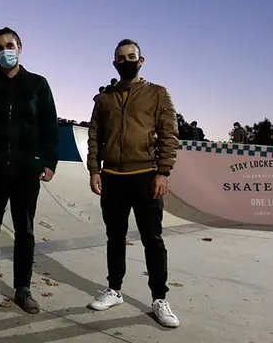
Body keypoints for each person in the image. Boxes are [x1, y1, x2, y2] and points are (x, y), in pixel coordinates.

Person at [0, 27, 59, 316]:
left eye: (10, 45)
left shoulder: (38, 85)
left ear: (19, 47)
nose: (5, 50)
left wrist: (48, 161)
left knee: (24, 232)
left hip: (26, 171)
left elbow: (49, 126)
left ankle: (23, 288)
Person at [86, 38, 181, 328]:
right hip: (112, 177)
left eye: (131, 56)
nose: (125, 61)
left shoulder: (157, 94)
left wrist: (163, 171)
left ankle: (159, 299)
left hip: (146, 177)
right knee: (115, 238)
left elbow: (169, 135)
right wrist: (94, 170)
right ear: (114, 63)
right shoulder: (104, 99)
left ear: (141, 61)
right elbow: (94, 136)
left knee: (152, 240)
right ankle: (114, 290)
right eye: (120, 57)